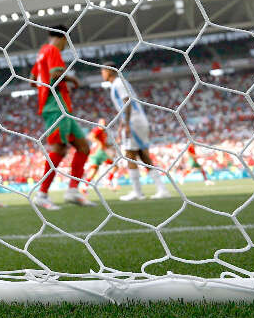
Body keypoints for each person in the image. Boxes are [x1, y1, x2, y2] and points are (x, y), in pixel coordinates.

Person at [30, 27, 93, 209]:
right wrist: (72, 80)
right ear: (63, 38)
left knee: (83, 147)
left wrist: (43, 90)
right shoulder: (53, 50)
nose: (66, 45)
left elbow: (32, 80)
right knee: (59, 149)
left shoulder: (42, 52)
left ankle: (72, 192)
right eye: (67, 41)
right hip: (56, 106)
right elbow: (56, 75)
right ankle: (42, 195)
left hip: (60, 106)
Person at [100, 64, 170, 200]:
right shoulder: (120, 83)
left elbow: (127, 102)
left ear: (109, 71)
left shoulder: (118, 83)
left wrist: (126, 123)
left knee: (130, 154)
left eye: (102, 70)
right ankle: (161, 189)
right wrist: (122, 124)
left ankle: (138, 192)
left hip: (134, 121)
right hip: (136, 120)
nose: (102, 73)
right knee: (142, 155)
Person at [84, 120, 117, 187]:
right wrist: (99, 143)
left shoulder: (103, 133)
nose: (104, 124)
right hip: (99, 152)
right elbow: (90, 136)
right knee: (115, 166)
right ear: (99, 123)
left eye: (105, 123)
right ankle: (108, 182)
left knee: (94, 170)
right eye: (102, 123)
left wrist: (113, 144)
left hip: (94, 153)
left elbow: (104, 144)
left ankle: (84, 188)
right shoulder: (98, 130)